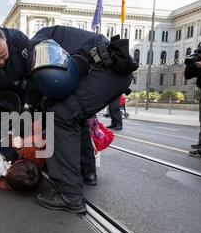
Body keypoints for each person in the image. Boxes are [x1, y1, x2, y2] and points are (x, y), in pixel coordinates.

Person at [26, 26, 136, 213]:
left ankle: (69, 194)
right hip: (112, 67)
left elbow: (44, 81)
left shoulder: (37, 43)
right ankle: (87, 172)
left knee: (61, 115)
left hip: (106, 67)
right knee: (75, 115)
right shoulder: (56, 35)